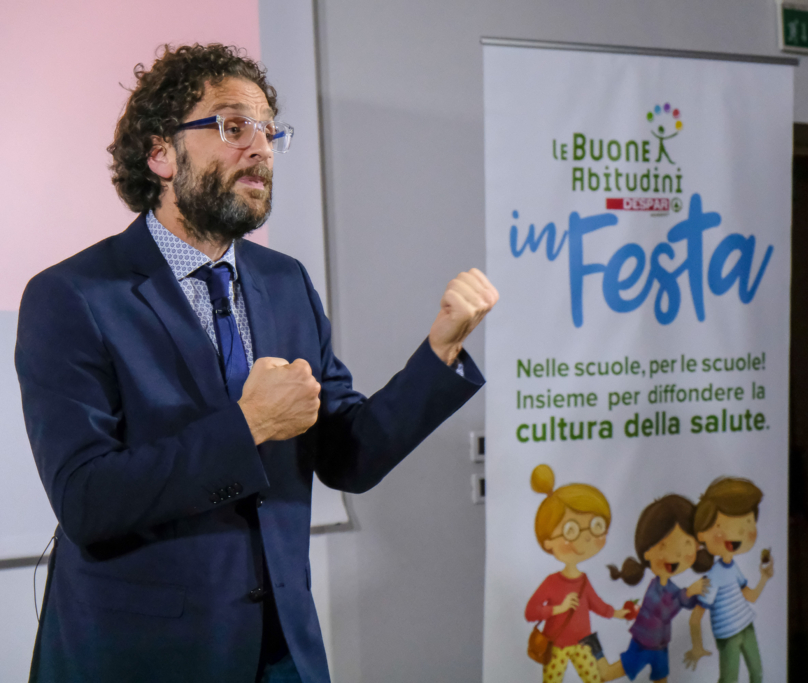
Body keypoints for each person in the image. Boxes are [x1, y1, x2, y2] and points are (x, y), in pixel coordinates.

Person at [15, 44, 498, 683]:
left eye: (269, 131)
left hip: (282, 651)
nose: (261, 148)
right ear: (161, 154)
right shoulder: (71, 295)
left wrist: (439, 352)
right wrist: (248, 427)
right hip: (144, 656)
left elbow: (349, 457)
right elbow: (86, 499)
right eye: (233, 126)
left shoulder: (284, 281)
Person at [524, 464, 632, 683]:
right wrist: (558, 608)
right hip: (556, 646)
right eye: (571, 530)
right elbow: (530, 612)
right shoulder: (552, 582)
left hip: (583, 644)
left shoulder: (583, 580)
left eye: (596, 525)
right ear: (548, 542)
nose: (586, 537)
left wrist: (619, 613)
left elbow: (597, 605)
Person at [603, 494, 711, 683]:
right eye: (664, 546)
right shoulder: (655, 587)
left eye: (687, 544)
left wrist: (698, 596)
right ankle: (595, 653)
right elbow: (664, 611)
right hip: (643, 643)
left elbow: (683, 601)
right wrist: (688, 592)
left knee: (661, 677)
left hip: (660, 645)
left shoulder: (670, 586)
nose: (676, 554)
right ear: (647, 552)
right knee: (614, 672)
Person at [683, 477, 774, 683]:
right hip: (727, 635)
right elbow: (695, 617)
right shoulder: (712, 577)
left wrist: (764, 578)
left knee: (757, 673)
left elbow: (750, 596)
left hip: (746, 626)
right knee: (729, 680)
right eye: (724, 525)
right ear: (702, 535)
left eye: (748, 522)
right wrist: (697, 646)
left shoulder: (733, 567)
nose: (740, 532)